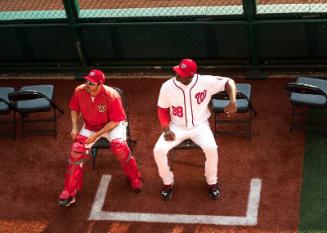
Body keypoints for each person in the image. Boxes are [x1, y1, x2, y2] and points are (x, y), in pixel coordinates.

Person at [153, 58, 237, 201]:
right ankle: (167, 182)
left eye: (181, 73)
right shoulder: (167, 86)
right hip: (176, 127)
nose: (177, 75)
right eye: (178, 71)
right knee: (158, 150)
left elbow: (229, 81)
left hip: (200, 126)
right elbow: (162, 109)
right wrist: (166, 129)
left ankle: (212, 182)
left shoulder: (205, 82)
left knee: (211, 148)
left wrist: (232, 102)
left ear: (191, 75)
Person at [59, 69, 143, 207]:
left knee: (120, 148)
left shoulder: (111, 95)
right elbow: (74, 108)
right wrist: (74, 127)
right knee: (76, 151)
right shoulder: (79, 91)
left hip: (112, 125)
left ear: (100, 84)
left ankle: (135, 178)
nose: (87, 84)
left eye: (91, 83)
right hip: (90, 125)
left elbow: (116, 120)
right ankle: (69, 192)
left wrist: (96, 136)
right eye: (86, 81)